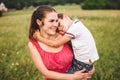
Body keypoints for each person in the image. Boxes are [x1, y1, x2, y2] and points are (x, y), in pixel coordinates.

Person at [28, 5, 94, 80]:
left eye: (57, 21)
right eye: (51, 21)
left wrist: (89, 67)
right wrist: (72, 77)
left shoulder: (64, 35)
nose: (56, 25)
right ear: (39, 22)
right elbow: (45, 72)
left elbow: (82, 50)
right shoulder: (33, 44)